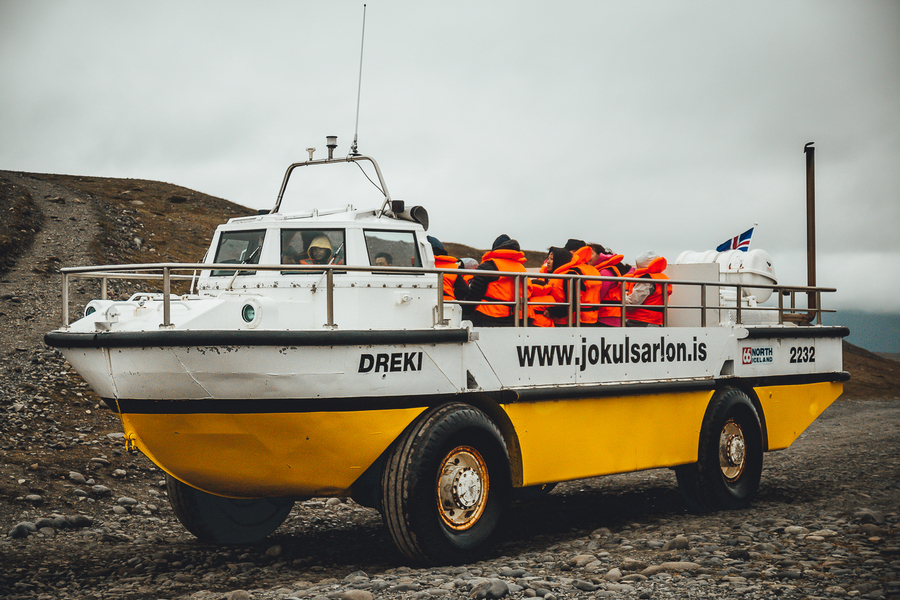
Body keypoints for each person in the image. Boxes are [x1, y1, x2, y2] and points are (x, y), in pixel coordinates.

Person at [465, 234, 533, 327]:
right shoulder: (522, 269)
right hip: (517, 319)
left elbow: (474, 296)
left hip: (488, 317)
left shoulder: (488, 266)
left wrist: (463, 310)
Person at [534, 246, 603, 326]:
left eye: (552, 259)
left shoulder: (568, 276)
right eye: (548, 259)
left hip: (567, 322)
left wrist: (552, 311)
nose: (548, 262)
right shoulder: (554, 276)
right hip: (558, 321)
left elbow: (572, 303)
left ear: (559, 260)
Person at [625, 251, 673, 327]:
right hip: (656, 321)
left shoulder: (645, 280)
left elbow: (631, 304)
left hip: (641, 321)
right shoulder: (660, 278)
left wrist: (622, 296)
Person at [428, 236, 468, 301]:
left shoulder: (420, 265)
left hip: (426, 300)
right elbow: (464, 290)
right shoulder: (452, 268)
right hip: (447, 303)